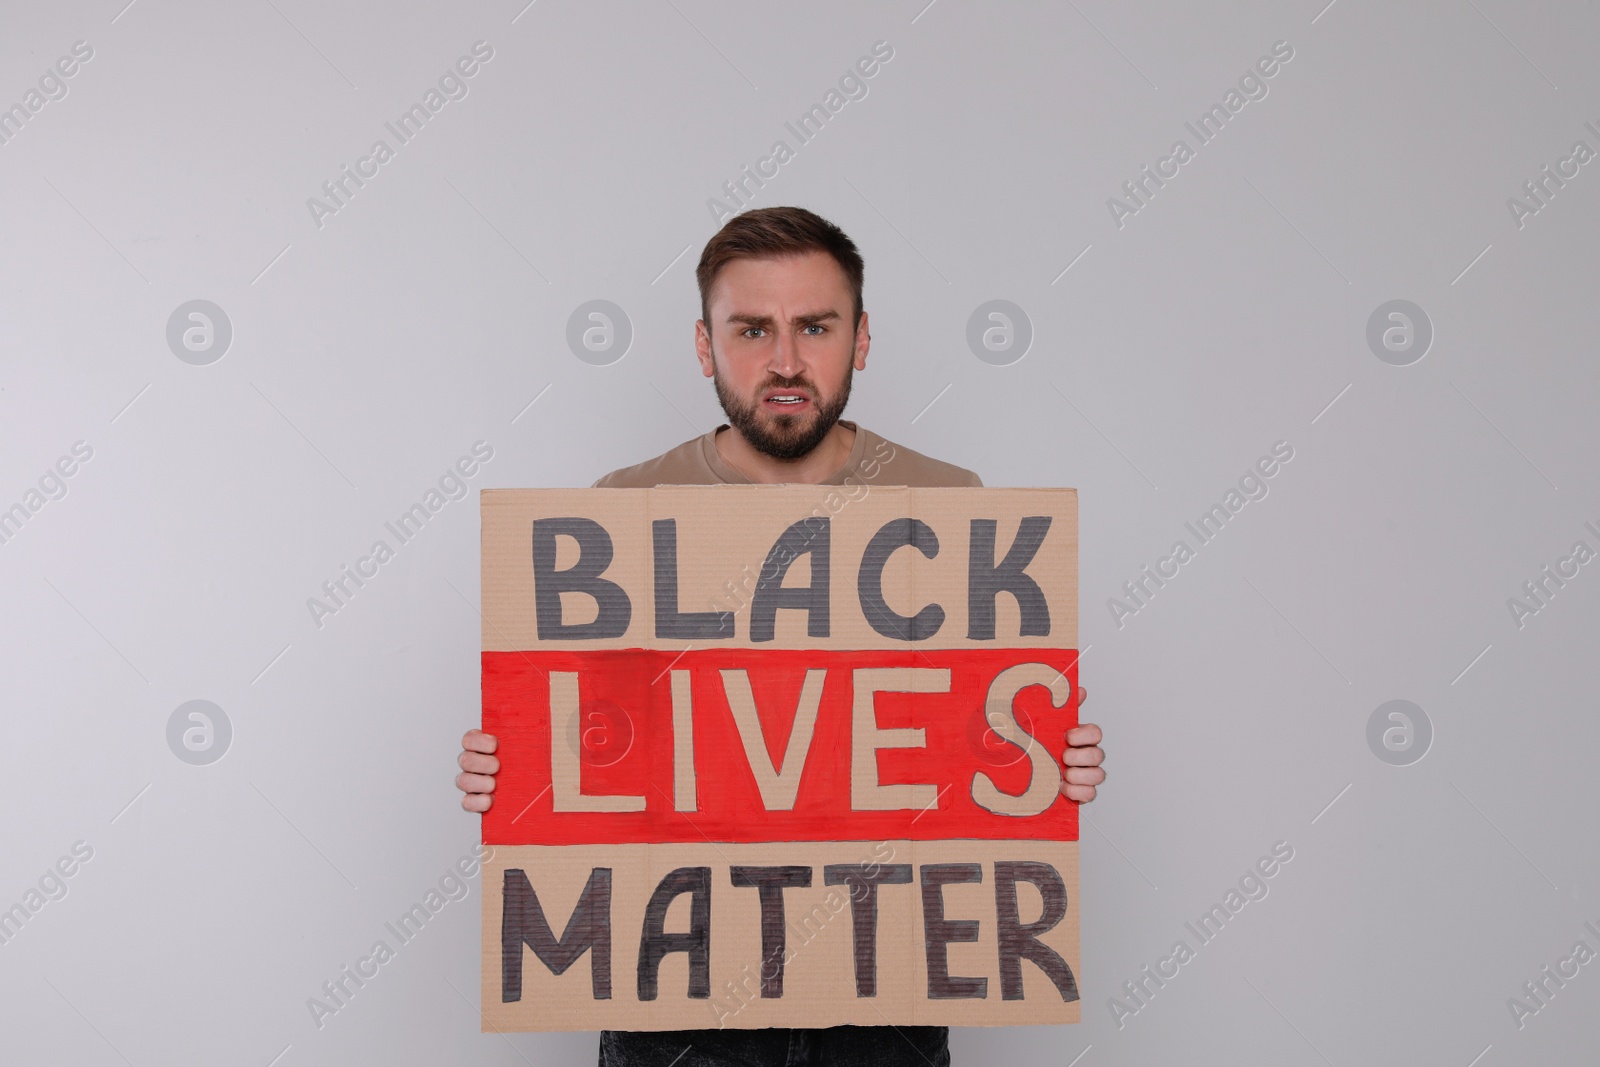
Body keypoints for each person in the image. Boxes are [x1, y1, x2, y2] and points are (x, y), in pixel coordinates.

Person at [456, 205, 1107, 1067]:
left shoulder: (946, 506)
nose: (787, 361)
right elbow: (600, 743)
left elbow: (965, 746)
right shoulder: (621, 511)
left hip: (885, 1006)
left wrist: (1047, 768)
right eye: (753, 329)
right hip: (676, 1010)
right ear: (704, 345)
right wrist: (515, 772)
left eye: (816, 327)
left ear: (861, 339)